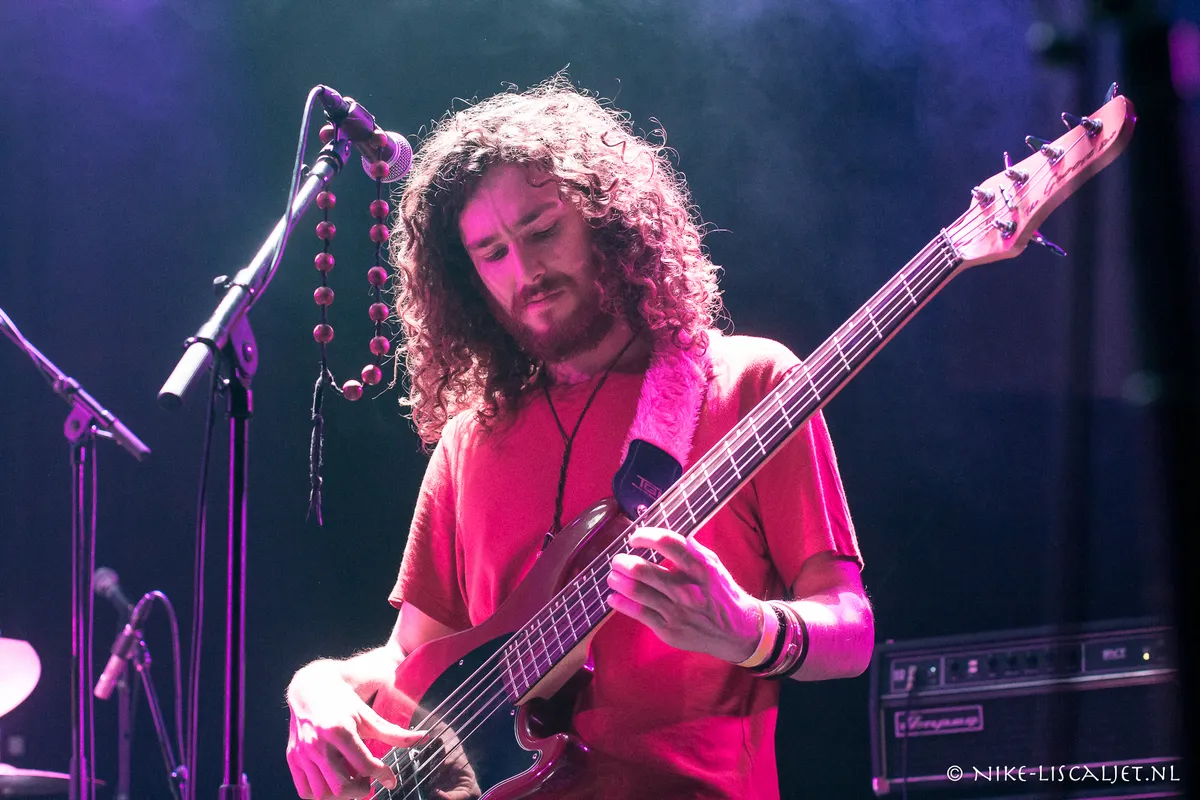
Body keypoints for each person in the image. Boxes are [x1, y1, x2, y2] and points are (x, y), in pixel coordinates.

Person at [285, 76, 874, 800]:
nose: (526, 271)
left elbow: (850, 631)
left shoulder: (748, 382)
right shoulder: (470, 442)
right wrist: (318, 684)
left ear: (608, 220)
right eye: (491, 253)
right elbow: (410, 667)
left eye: (542, 231)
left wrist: (749, 630)